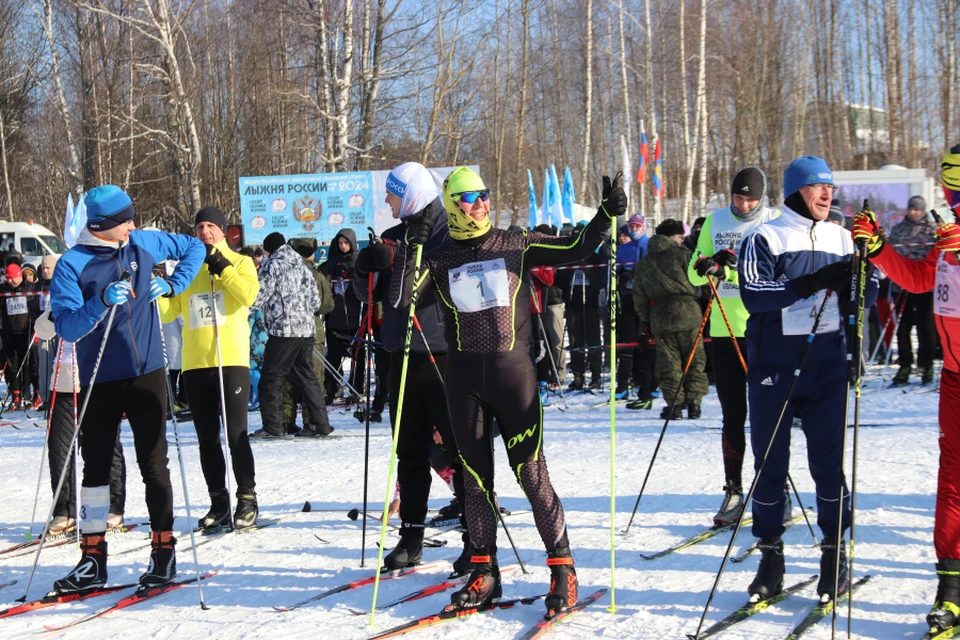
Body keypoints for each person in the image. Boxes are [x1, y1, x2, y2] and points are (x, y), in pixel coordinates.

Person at [390, 166, 622, 615]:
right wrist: (411, 247)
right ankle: (483, 572)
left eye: (484, 195)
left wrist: (603, 217)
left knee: (531, 474)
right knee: (476, 482)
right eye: (470, 198)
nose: (480, 204)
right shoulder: (439, 259)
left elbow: (577, 247)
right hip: (463, 383)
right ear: (453, 204)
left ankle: (562, 571)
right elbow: (401, 300)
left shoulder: (515, 244)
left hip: (513, 377)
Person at [49, 184, 204, 593]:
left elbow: (194, 248)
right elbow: (66, 326)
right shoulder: (72, 264)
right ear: (100, 226)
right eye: (124, 222)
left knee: (154, 464)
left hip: (147, 371)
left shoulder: (143, 242)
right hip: (100, 376)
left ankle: (163, 551)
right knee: (96, 468)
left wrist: (173, 285)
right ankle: (93, 558)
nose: (133, 226)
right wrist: (100, 301)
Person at [738, 156, 877, 603]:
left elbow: (868, 295)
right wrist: (813, 281)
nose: (827, 194)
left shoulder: (842, 237)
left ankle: (833, 555)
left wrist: (863, 263)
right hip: (773, 371)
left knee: (827, 467)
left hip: (827, 368)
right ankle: (771, 557)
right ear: (797, 191)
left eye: (831, 189)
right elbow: (754, 296)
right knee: (770, 467)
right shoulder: (765, 235)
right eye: (819, 187)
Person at [852, 144, 960, 634]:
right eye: (948, 185)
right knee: (953, 485)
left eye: (954, 187)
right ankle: (952, 589)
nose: (949, 195)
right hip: (956, 379)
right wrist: (879, 250)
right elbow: (919, 280)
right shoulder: (947, 235)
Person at [353, 161, 471, 574]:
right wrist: (364, 267)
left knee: (460, 449)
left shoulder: (448, 229)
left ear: (412, 192)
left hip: (442, 353)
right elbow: (372, 296)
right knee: (410, 452)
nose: (387, 202)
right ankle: (412, 536)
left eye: (392, 194)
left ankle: (477, 538)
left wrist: (407, 255)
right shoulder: (393, 235)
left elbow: (443, 279)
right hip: (399, 354)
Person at [687, 167, 780, 526]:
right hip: (724, 330)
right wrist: (709, 265)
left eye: (750, 198)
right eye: (738, 197)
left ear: (761, 197)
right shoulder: (715, 221)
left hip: (765, 329)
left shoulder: (773, 221)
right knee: (732, 415)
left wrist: (734, 271)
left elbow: (774, 274)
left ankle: (774, 491)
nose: (743, 204)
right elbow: (694, 273)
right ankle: (733, 490)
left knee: (768, 414)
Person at [160, 207, 261, 530]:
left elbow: (248, 295)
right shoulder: (188, 267)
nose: (205, 231)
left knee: (236, 435)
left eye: (211, 226)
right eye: (199, 226)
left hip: (231, 361)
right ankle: (219, 502)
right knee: (206, 439)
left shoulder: (242, 262)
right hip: (195, 363)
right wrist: (155, 288)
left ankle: (247, 499)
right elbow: (168, 311)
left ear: (222, 231)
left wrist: (222, 266)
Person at [33, 311, 127, 537]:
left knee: (103, 446)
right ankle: (65, 510)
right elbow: (41, 331)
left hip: (98, 380)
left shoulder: (101, 296)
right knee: (60, 449)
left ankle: (113, 507)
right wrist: (54, 316)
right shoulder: (64, 298)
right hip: (64, 382)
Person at [252, 232, 331, 438]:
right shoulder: (303, 266)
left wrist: (242, 309)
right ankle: (319, 425)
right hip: (306, 331)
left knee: (270, 377)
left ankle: (273, 426)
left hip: (283, 330)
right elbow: (316, 301)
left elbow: (259, 296)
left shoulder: (272, 265)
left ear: (268, 250)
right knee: (307, 377)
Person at [633, 219, 708, 420]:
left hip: (660, 316)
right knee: (694, 359)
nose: (682, 241)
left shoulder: (645, 262)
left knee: (669, 364)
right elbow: (698, 280)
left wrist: (646, 320)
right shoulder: (683, 255)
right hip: (689, 312)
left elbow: (639, 296)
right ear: (670, 237)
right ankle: (694, 404)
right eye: (679, 237)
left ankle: (674, 406)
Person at [281, 237, 336, 436]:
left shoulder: (284, 272)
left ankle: (285, 420)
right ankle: (312, 421)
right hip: (312, 332)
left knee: (287, 377)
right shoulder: (316, 275)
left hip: (287, 331)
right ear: (312, 253)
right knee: (312, 378)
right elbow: (327, 305)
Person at [887, 195, 938, 386]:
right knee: (903, 326)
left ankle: (927, 364)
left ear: (923, 210)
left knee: (926, 327)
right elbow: (891, 252)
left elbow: (938, 253)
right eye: (911, 209)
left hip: (925, 285)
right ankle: (905, 364)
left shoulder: (933, 230)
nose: (913, 213)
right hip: (902, 285)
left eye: (917, 209)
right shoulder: (899, 229)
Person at [617, 215, 657, 406]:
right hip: (628, 298)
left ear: (644, 227)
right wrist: (622, 275)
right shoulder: (623, 248)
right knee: (628, 341)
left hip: (649, 300)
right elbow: (612, 271)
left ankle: (650, 386)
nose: (633, 229)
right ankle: (623, 384)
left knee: (648, 343)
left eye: (637, 226)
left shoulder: (651, 245)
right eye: (631, 226)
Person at [320, 229, 363, 405]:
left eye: (346, 243)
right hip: (335, 318)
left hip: (355, 318)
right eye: (340, 243)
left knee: (358, 356)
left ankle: (357, 387)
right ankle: (333, 388)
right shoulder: (332, 263)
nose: (343, 246)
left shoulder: (359, 261)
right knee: (334, 357)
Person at [557, 241, 605, 391]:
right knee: (575, 340)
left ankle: (596, 375)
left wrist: (588, 270)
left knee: (593, 340)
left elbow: (600, 282)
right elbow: (561, 282)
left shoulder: (595, 258)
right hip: (573, 305)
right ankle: (578, 375)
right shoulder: (569, 258)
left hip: (590, 305)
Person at [1, 263, 34, 411]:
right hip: (9, 333)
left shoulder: (28, 288)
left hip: (25, 332)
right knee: (13, 365)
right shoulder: (4, 291)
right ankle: (15, 393)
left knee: (25, 364)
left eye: (12, 278)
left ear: (19, 276)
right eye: (8, 278)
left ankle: (26, 393)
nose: (10, 281)